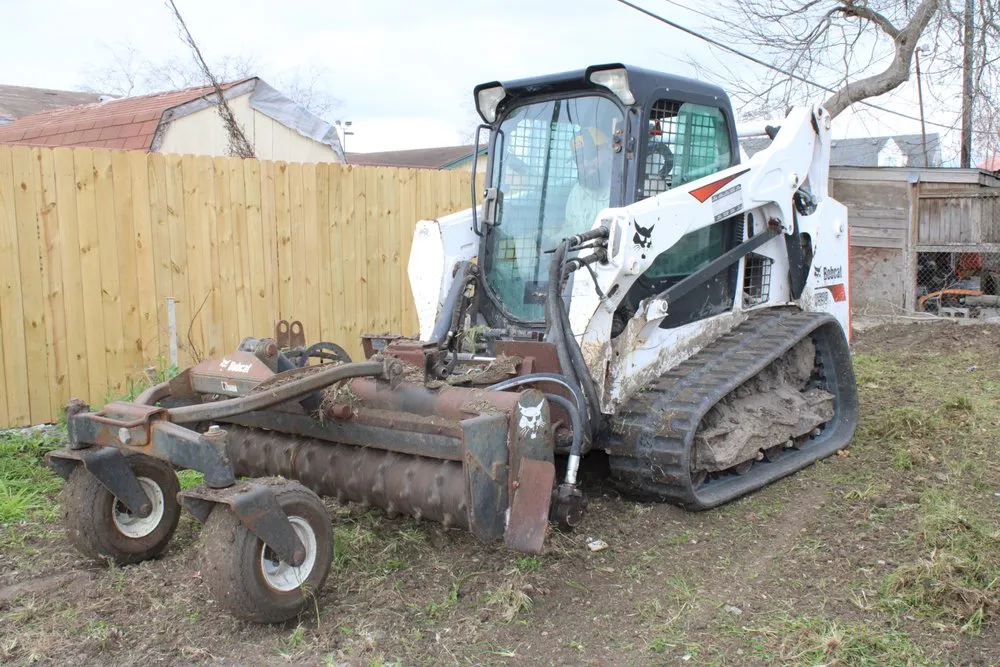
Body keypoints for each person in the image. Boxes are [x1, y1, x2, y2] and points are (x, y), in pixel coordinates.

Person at [562, 126, 614, 237]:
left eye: (591, 155)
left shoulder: (622, 188)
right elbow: (570, 230)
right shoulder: (577, 192)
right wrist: (552, 243)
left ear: (609, 152)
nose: (585, 164)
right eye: (579, 160)